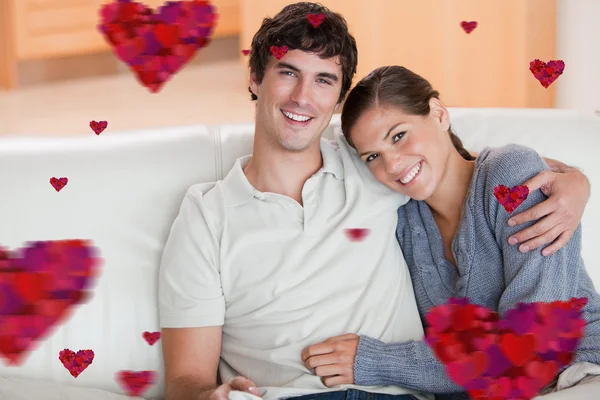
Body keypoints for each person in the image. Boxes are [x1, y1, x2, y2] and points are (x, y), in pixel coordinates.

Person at [158, 3, 591, 400]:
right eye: (287, 72)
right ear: (255, 78)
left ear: (337, 98)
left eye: (324, 80)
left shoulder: (375, 171)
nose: (303, 97)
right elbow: (186, 380)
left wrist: (575, 180)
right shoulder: (208, 214)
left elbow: (474, 165)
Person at [302, 65, 600, 399]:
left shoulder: (510, 175)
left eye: (398, 136)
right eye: (373, 156)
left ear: (439, 114)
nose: (392, 165)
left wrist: (379, 360)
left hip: (576, 375)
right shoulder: (400, 217)